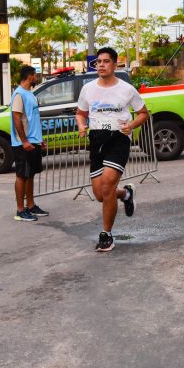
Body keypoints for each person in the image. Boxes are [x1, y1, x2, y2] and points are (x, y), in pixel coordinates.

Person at [76, 47, 149, 252]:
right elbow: (80, 113)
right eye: (98, 62)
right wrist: (81, 124)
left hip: (119, 138)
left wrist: (131, 126)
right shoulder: (88, 89)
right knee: (100, 194)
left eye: (106, 61)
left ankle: (106, 234)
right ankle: (125, 194)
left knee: (107, 185)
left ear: (115, 64)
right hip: (97, 139)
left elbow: (143, 113)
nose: (101, 65)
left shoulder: (126, 89)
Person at [11, 65, 49, 222]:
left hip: (34, 142)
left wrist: (40, 140)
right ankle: (20, 210)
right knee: (22, 175)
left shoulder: (30, 94)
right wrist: (24, 141)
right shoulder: (19, 94)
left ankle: (31, 205)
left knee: (30, 175)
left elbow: (33, 120)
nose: (36, 78)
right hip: (23, 144)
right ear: (29, 76)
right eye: (35, 75)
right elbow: (16, 118)